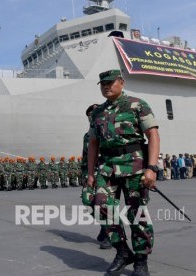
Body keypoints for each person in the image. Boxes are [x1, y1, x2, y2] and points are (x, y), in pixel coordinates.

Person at [88, 69, 159, 276]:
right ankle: (122, 251)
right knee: (101, 207)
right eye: (103, 84)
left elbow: (153, 135)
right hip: (107, 167)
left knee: (136, 213)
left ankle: (141, 260)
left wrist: (152, 168)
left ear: (121, 82)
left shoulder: (137, 104)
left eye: (110, 82)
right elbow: (93, 144)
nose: (106, 86)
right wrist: (91, 174)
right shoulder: (97, 113)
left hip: (134, 166)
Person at [81, 103, 111, 250]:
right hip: (90, 174)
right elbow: (85, 157)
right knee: (87, 201)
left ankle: (109, 234)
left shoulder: (108, 131)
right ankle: (104, 225)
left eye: (94, 114)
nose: (91, 117)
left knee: (102, 204)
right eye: (89, 115)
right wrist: (84, 174)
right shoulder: (87, 136)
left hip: (105, 172)